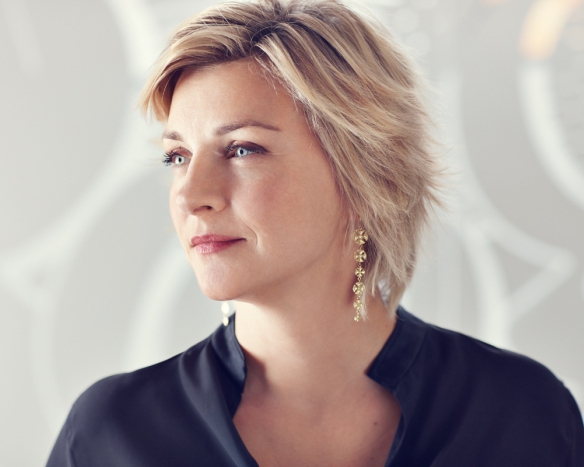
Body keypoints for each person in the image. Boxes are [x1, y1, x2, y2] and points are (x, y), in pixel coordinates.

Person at [47, 0, 584, 465]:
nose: (191, 195)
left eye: (242, 149)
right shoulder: (113, 434)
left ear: (366, 174)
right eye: (178, 156)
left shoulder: (521, 413)